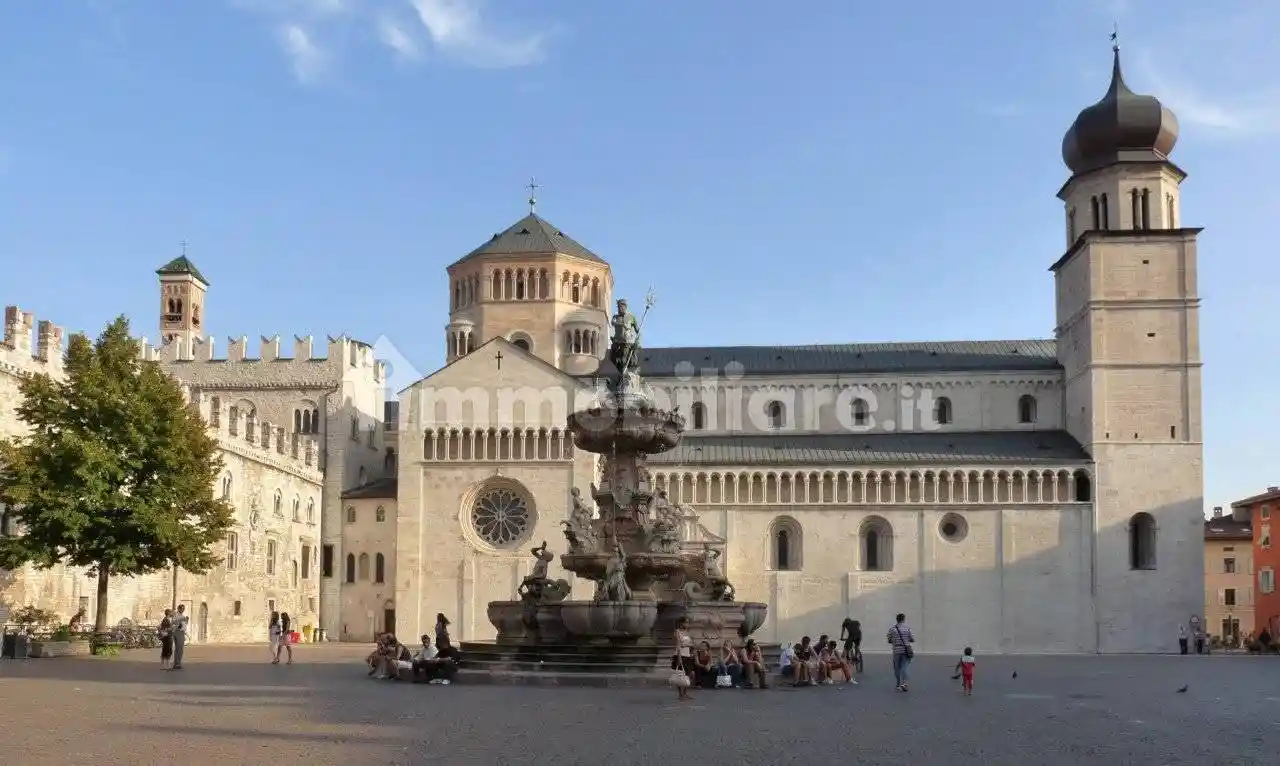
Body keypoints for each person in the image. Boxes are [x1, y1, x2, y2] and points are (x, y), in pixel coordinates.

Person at [887, 612, 915, 692]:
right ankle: (904, 683)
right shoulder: (907, 628)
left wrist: (895, 640)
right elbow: (912, 639)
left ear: (897, 620)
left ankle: (898, 683)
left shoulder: (892, 629)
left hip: (896, 650)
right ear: (903, 619)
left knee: (896, 668)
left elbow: (889, 640)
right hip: (906, 650)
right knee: (904, 667)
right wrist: (907, 639)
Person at [673, 617, 694, 701]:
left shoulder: (687, 633)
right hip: (680, 655)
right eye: (686, 622)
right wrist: (679, 657)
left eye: (688, 623)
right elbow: (678, 645)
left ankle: (685, 693)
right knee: (680, 674)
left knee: (689, 674)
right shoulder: (677, 632)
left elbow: (691, 644)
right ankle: (680, 694)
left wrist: (687, 646)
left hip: (687, 655)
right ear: (681, 623)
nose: (687, 624)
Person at [170, 603, 189, 670]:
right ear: (179, 609)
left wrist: (186, 620)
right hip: (178, 632)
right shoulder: (176, 615)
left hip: (181, 632)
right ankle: (177, 664)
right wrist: (182, 620)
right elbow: (174, 622)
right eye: (181, 608)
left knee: (178, 649)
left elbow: (184, 624)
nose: (182, 610)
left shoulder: (181, 616)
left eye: (183, 609)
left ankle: (177, 663)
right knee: (179, 649)